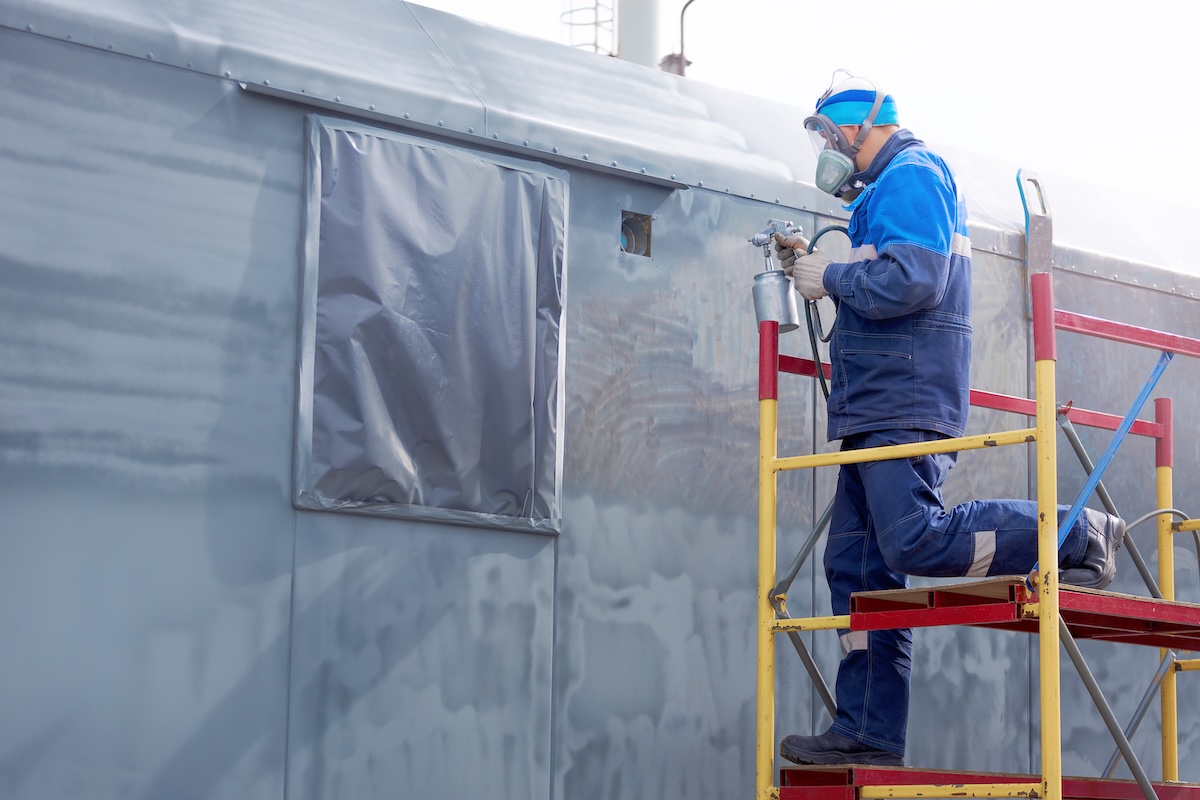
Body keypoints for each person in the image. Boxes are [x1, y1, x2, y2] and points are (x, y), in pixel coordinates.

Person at [770, 73, 1127, 768]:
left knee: (912, 541)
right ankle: (869, 730)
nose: (826, 151)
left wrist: (831, 279)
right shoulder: (884, 196)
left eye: (827, 136)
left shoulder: (911, 175)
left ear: (857, 128)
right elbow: (893, 274)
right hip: (873, 405)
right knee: (856, 568)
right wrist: (819, 267)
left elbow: (915, 281)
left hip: (902, 400)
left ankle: (1082, 533)